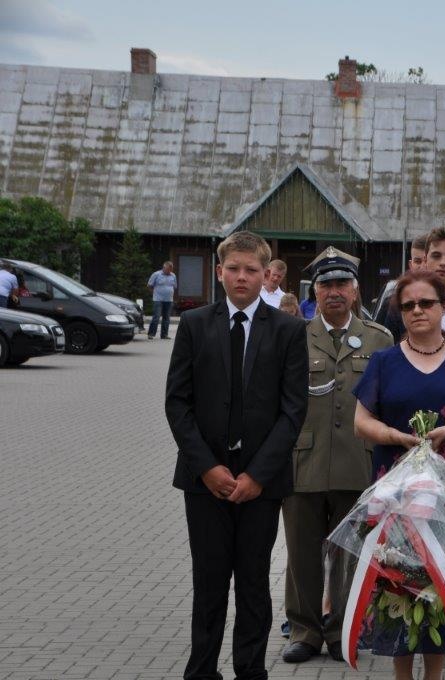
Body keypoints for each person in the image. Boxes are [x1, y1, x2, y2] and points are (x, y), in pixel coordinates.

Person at [165, 230, 308, 680]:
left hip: (260, 484)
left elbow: (293, 410)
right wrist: (207, 467)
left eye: (251, 270)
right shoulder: (194, 324)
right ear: (219, 272)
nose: (241, 277)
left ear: (266, 274)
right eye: (233, 269)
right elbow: (177, 403)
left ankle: (250, 670)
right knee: (208, 584)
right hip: (204, 481)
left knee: (253, 583)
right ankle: (201, 671)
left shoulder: (288, 330)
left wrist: (258, 475)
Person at [352, 269, 445, 680]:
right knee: (399, 585)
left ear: (444, 306)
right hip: (396, 493)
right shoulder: (384, 361)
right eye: (408, 305)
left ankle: (435, 675)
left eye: (426, 303)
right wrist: (395, 436)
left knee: (441, 586)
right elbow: (362, 421)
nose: (417, 311)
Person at [280, 247, 394, 664]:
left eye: (342, 283)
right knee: (302, 553)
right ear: (314, 291)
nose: (334, 291)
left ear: (355, 290)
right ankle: (305, 631)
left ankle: (343, 631)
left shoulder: (379, 338)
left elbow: (387, 403)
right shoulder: (293, 336)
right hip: (303, 461)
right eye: (326, 284)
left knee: (350, 554)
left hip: (357, 462)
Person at [374, 235, 428, 325]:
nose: (422, 267)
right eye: (418, 261)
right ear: (411, 265)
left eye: (426, 261)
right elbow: (377, 331)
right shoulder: (391, 303)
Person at [147, 261, 177, 339]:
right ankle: (151, 334)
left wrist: (169, 293)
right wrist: (154, 294)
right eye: (168, 269)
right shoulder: (156, 274)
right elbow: (149, 285)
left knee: (166, 318)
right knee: (156, 317)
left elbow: (174, 286)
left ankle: (164, 335)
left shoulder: (173, 275)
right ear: (164, 268)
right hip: (158, 299)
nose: (169, 271)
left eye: (171, 270)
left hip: (169, 300)